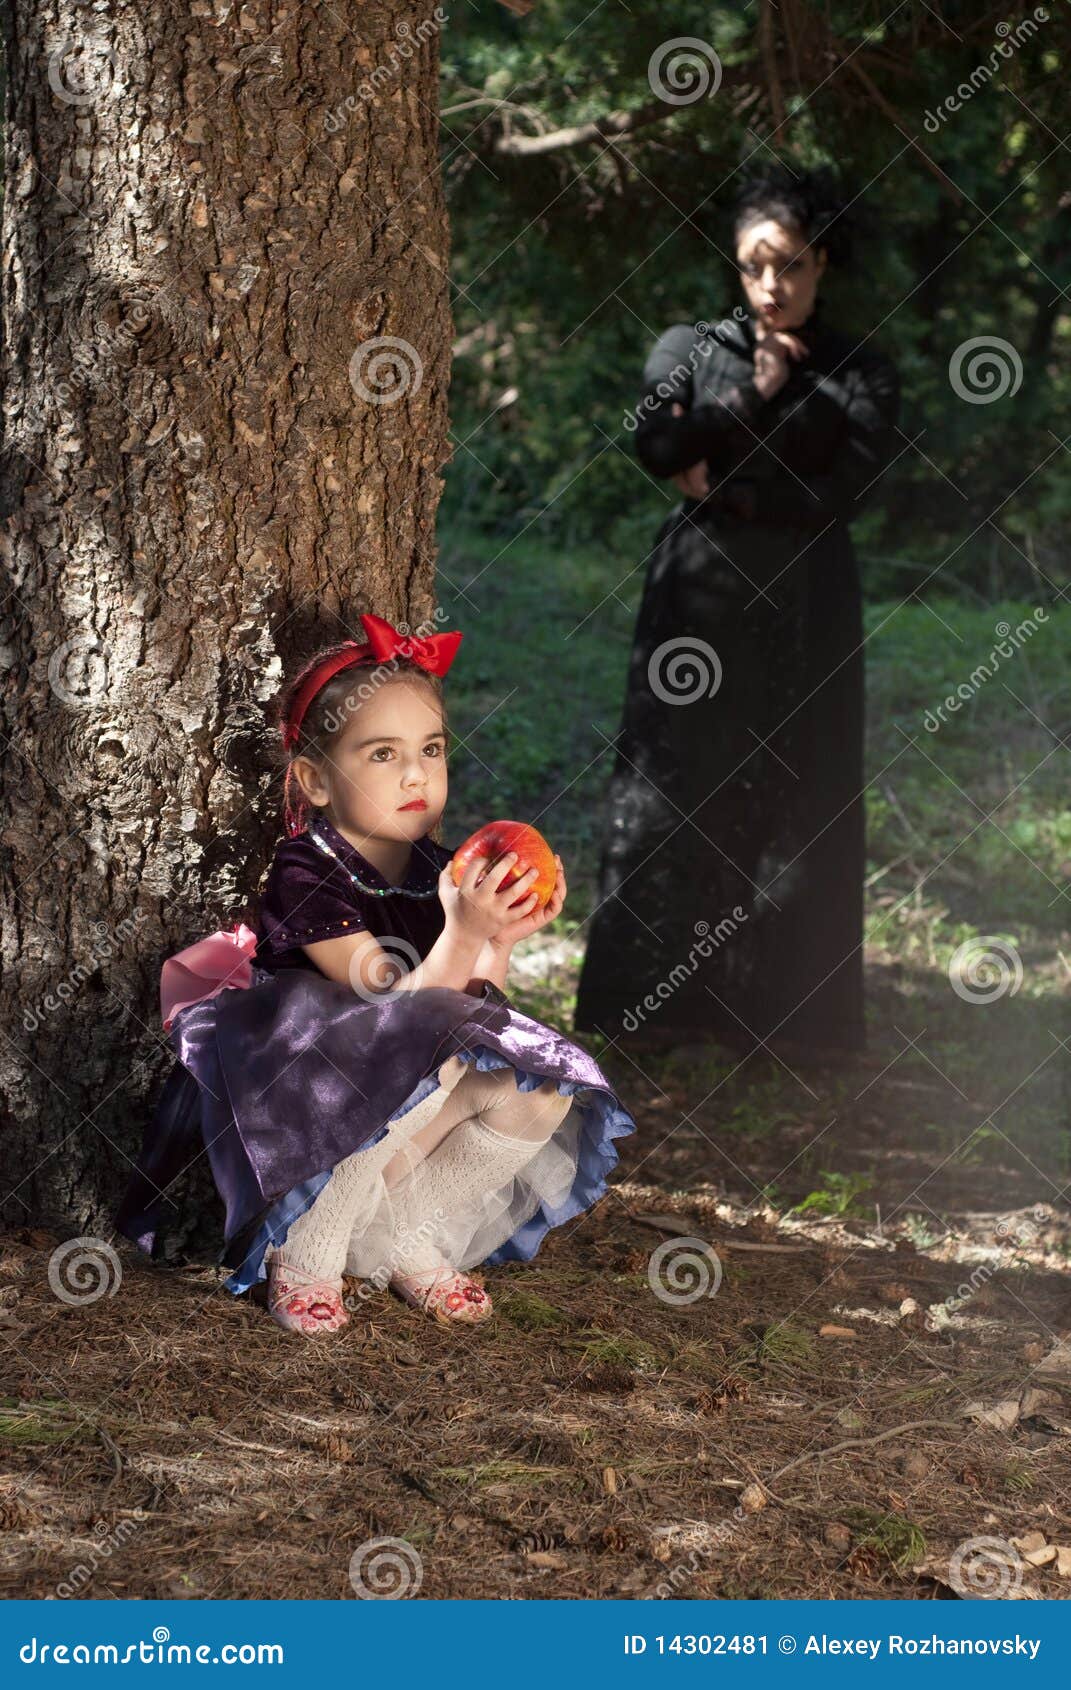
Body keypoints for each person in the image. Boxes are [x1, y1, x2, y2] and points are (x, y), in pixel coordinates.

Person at [115, 612, 636, 1336]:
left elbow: (475, 1008)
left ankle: (399, 1236)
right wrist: (464, 929)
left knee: (539, 1086)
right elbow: (390, 1004)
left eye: (431, 749)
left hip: (408, 1074)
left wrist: (500, 938)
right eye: (382, 755)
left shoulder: (441, 867)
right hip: (309, 1082)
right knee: (418, 1059)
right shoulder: (308, 870)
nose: (417, 774)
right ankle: (308, 1250)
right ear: (315, 781)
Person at [574, 164, 901, 1058]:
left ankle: (788, 1024)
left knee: (798, 787)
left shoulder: (857, 368)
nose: (770, 286)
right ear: (734, 263)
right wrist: (748, 397)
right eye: (754, 266)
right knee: (678, 782)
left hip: (807, 606)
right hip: (696, 598)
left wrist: (727, 483)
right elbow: (654, 442)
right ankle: (657, 1011)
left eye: (789, 265)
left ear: (820, 262)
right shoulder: (689, 343)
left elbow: (849, 489)